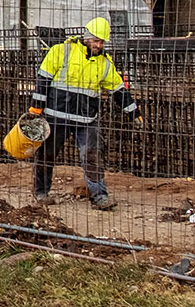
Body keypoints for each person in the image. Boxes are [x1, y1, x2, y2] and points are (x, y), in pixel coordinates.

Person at [30, 16, 141, 210]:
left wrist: (133, 112)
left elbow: (118, 89)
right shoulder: (61, 52)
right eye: (96, 40)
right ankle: (41, 192)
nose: (99, 45)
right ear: (87, 37)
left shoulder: (104, 63)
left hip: (86, 119)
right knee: (47, 154)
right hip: (56, 115)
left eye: (102, 42)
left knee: (92, 155)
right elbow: (43, 80)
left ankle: (99, 196)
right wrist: (36, 108)